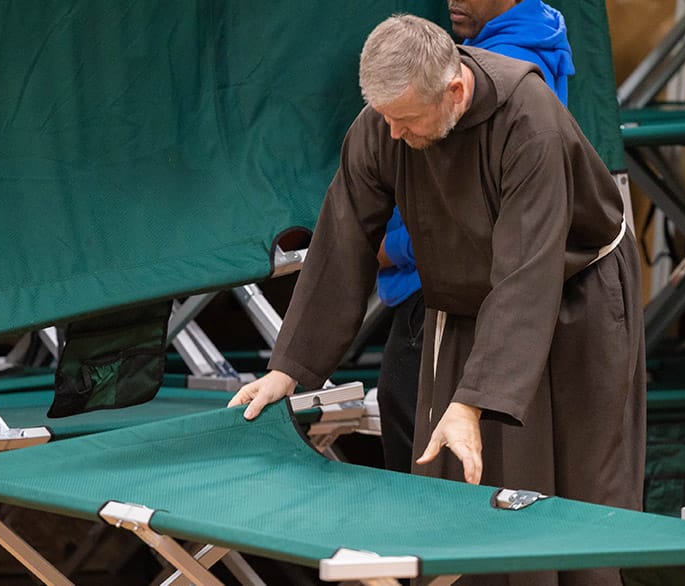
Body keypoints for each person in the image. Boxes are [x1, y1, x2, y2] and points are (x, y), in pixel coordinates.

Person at [230, 14, 645, 585]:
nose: (393, 135)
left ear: (454, 91)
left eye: (404, 120)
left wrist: (473, 400)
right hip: (468, 298)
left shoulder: (531, 120)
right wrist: (289, 369)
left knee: (579, 495)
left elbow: (527, 273)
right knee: (457, 493)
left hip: (578, 296)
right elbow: (343, 238)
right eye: (386, 119)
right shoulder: (384, 123)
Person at [375, 0, 575, 473]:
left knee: (421, 460)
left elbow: (473, 219)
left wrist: (396, 249)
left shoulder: (497, 78)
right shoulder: (530, 45)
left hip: (438, 295)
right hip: (455, 290)